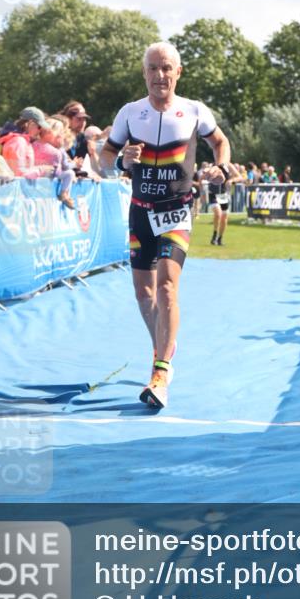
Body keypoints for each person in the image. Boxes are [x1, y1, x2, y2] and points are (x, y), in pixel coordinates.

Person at [98, 42, 232, 410]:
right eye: (153, 69)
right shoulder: (130, 113)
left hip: (176, 211)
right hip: (140, 212)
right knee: (145, 296)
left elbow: (220, 142)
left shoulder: (193, 111)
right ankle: (166, 345)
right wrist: (120, 160)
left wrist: (220, 166)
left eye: (167, 68)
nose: (160, 75)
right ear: (144, 73)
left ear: (178, 72)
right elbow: (103, 158)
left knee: (168, 287)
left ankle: (160, 371)